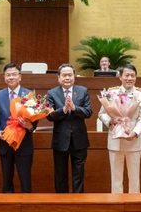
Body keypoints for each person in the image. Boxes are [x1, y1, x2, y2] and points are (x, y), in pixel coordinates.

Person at [98, 64, 141, 193]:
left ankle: (134, 206)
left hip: (133, 141)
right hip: (115, 141)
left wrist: (135, 132)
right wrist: (111, 121)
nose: (130, 78)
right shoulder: (111, 92)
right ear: (120, 77)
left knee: (134, 179)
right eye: (127, 75)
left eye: (133, 75)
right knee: (116, 179)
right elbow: (101, 113)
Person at [46, 64, 92, 193]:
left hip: (79, 140)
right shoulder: (52, 93)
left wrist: (75, 108)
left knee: (78, 175)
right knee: (60, 175)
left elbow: (88, 112)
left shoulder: (83, 91)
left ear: (74, 76)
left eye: (70, 75)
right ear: (58, 78)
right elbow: (49, 116)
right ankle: (62, 203)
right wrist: (64, 110)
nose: (67, 78)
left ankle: (78, 203)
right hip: (60, 140)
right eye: (64, 75)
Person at [0, 63, 37, 193]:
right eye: (8, 75)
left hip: (24, 144)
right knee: (6, 181)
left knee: (25, 180)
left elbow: (35, 116)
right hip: (5, 143)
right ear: (4, 77)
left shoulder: (28, 94)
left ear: (20, 77)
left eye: (14, 74)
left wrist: (30, 126)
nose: (11, 77)